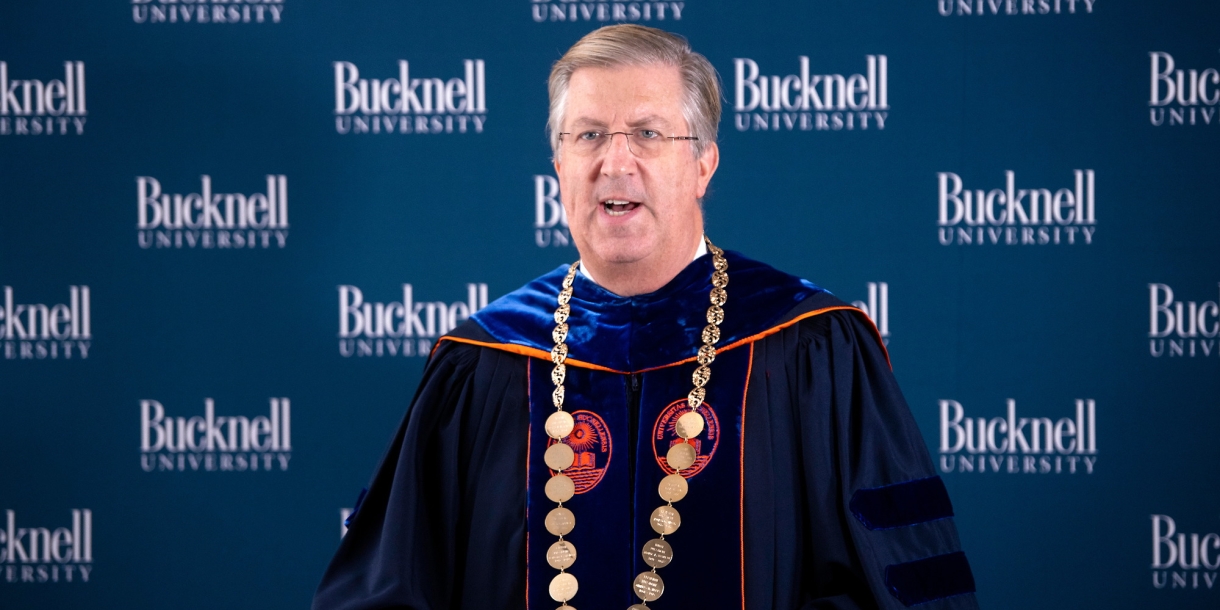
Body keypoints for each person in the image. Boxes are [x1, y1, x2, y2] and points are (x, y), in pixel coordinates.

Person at [314, 24, 978, 610]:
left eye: (648, 133)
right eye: (590, 136)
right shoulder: (484, 363)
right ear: (559, 168)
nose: (615, 161)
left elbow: (895, 588)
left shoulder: (810, 348)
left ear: (703, 165)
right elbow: (388, 590)